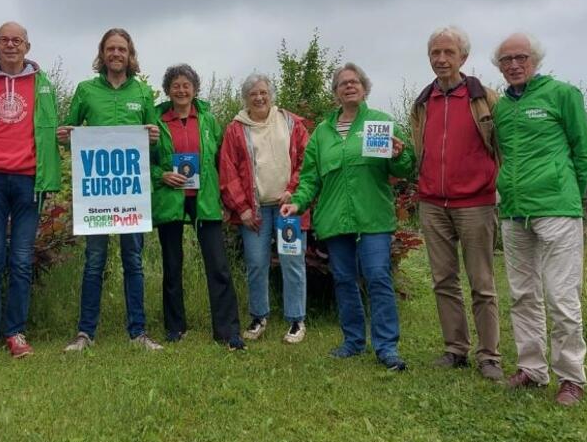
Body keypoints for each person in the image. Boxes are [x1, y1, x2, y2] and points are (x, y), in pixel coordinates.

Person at [281, 63, 414, 370]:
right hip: (334, 217)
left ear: (364, 88)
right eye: (342, 83)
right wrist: (297, 203)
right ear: (335, 93)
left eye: (354, 82)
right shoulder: (322, 134)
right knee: (343, 280)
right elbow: (310, 178)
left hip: (373, 217)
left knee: (378, 277)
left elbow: (405, 168)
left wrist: (399, 155)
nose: (349, 86)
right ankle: (353, 341)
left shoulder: (381, 123)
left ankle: (386, 347)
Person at [492, 32, 587, 406]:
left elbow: (583, 151)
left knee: (562, 296)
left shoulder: (563, 94)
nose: (514, 65)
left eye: (521, 57)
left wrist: (567, 190)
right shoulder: (501, 108)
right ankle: (532, 369)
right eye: (506, 60)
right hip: (515, 211)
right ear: (499, 67)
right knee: (522, 294)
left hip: (557, 209)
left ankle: (571, 378)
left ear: (535, 60)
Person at [58, 28, 163, 352]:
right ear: (102, 54)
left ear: (130, 55)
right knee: (94, 262)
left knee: (133, 261)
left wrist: (155, 138)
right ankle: (84, 334)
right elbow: (68, 133)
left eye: (122, 49)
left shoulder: (143, 92)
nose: (116, 54)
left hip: (131, 195)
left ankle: (138, 333)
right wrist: (64, 135)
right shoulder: (85, 90)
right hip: (98, 197)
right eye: (110, 49)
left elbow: (155, 152)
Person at [0, 22, 61, 361]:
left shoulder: (44, 85)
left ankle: (16, 334)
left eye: (17, 40)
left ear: (27, 46)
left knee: (20, 261)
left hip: (30, 182)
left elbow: (51, 131)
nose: (11, 45)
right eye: (5, 40)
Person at [409, 26, 503, 381]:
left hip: (476, 202)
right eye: (435, 53)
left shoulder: (485, 98)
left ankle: (490, 356)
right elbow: (422, 150)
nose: (441, 59)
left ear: (463, 57)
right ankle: (455, 349)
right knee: (443, 280)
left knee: (482, 282)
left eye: (448, 52)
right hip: (433, 202)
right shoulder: (422, 103)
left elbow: (501, 148)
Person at [151, 64, 245, 350]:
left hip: (204, 200)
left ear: (195, 89)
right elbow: (144, 159)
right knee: (172, 265)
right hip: (170, 198)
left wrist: (227, 199)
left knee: (217, 264)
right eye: (176, 85)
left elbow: (221, 160)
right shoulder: (155, 120)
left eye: (186, 85)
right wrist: (161, 175)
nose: (181, 90)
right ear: (168, 90)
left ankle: (227, 330)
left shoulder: (208, 119)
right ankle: (175, 328)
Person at [219, 74, 311, 343]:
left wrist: (293, 190)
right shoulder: (235, 129)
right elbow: (228, 170)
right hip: (255, 213)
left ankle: (296, 321)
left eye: (263, 92)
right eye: (253, 94)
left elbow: (308, 160)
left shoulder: (291, 122)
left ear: (271, 94)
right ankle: (259, 317)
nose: (259, 97)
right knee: (256, 265)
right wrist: (242, 208)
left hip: (288, 209)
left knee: (292, 263)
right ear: (246, 99)